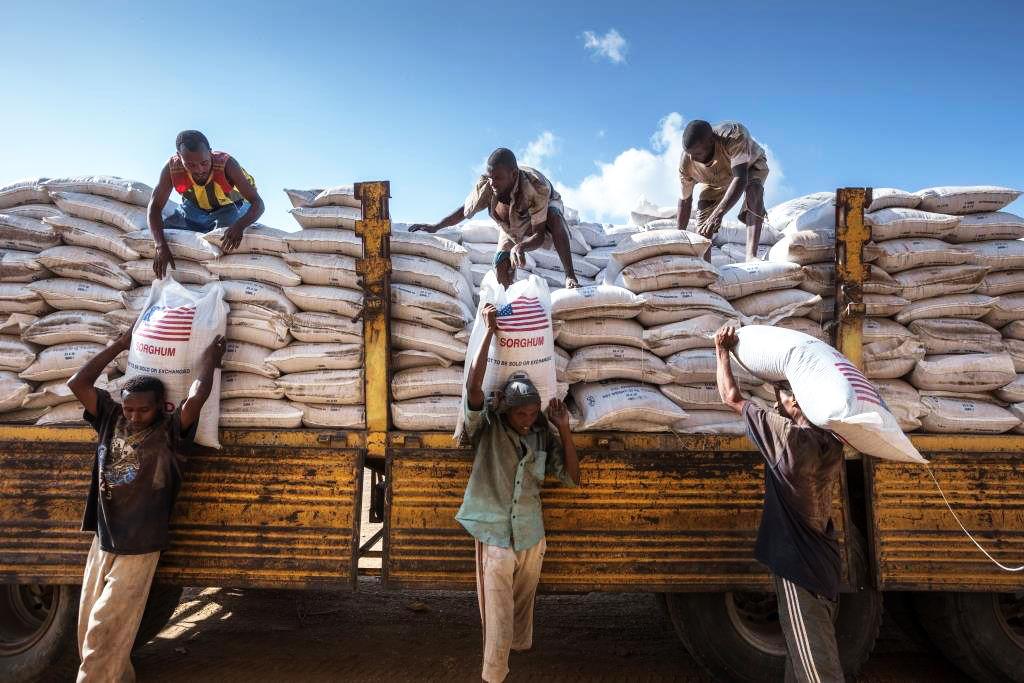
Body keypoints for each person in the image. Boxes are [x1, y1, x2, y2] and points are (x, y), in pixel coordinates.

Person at [68, 329, 226, 682]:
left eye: (143, 409)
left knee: (105, 627)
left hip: (140, 547)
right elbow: (77, 383)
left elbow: (196, 398)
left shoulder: (168, 432)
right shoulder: (110, 418)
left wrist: (209, 362)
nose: (135, 416)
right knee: (88, 628)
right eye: (130, 408)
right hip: (104, 538)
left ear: (160, 407)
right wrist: (120, 345)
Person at [713, 325, 846, 682]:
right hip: (823, 560)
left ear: (797, 400)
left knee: (817, 667)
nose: (775, 403)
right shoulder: (832, 441)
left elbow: (731, 397)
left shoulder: (786, 439)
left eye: (782, 395)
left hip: (798, 566)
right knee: (800, 654)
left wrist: (722, 350)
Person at [459, 303, 581, 682]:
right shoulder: (488, 429)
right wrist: (490, 332)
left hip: (531, 534)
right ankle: (494, 675)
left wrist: (563, 429)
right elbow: (473, 388)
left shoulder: (544, 435)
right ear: (506, 412)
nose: (527, 421)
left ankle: (518, 649)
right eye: (520, 415)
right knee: (496, 614)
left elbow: (572, 478)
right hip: (494, 533)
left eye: (532, 414)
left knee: (522, 607)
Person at [408, 148, 579, 288]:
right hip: (511, 225)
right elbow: (464, 211)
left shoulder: (536, 187)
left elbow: (539, 235)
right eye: (490, 177)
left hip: (544, 211)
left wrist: (520, 247)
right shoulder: (488, 186)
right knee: (500, 264)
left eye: (498, 178)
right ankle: (509, 304)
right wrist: (435, 227)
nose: (493, 183)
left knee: (554, 216)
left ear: (513, 175)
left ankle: (570, 276)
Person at [147, 130, 265, 278]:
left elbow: (258, 204)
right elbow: (155, 208)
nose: (199, 170)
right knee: (166, 231)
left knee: (222, 240)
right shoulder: (172, 168)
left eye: (204, 163)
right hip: (194, 206)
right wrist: (160, 246)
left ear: (210, 153)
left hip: (233, 204)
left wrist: (240, 226)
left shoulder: (227, 165)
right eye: (190, 165)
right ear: (179, 157)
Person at [677, 120, 770, 262]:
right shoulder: (686, 163)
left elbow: (740, 178)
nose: (693, 158)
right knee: (703, 223)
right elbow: (685, 201)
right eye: (689, 153)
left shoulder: (733, 136)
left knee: (754, 189)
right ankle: (705, 265)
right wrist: (679, 238)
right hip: (715, 179)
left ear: (711, 141)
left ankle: (751, 255)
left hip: (748, 167)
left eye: (697, 153)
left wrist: (718, 214)